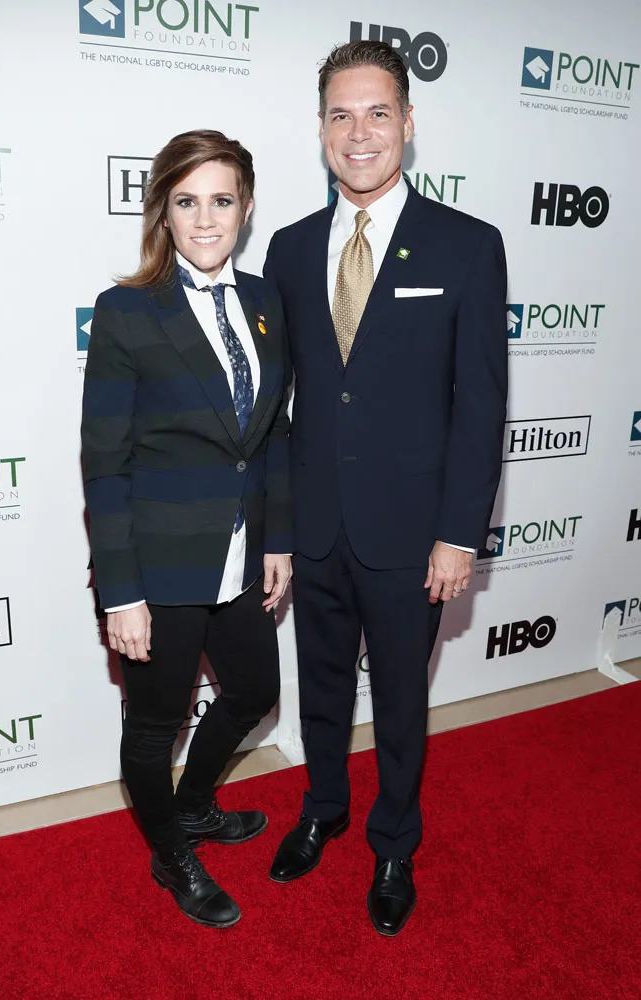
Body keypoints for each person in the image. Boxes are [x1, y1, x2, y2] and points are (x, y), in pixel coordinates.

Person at [265, 42, 508, 936]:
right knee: (321, 685)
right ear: (321, 129)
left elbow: (480, 405)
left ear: (408, 121)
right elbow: (279, 405)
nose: (358, 133)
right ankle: (323, 807)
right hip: (317, 522)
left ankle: (395, 842)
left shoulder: (468, 244)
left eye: (376, 113)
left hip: (413, 532)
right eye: (341, 115)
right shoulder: (290, 249)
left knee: (402, 700)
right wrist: (276, 528)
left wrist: (460, 533)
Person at [81, 130, 292, 930]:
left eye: (222, 200)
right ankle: (171, 853)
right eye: (187, 201)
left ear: (245, 207)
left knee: (255, 693)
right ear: (163, 213)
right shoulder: (127, 311)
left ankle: (195, 804)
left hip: (242, 555)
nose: (206, 219)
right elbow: (105, 462)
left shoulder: (267, 302)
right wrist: (122, 592)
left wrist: (278, 538)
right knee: (154, 725)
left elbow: (271, 434)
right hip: (159, 568)